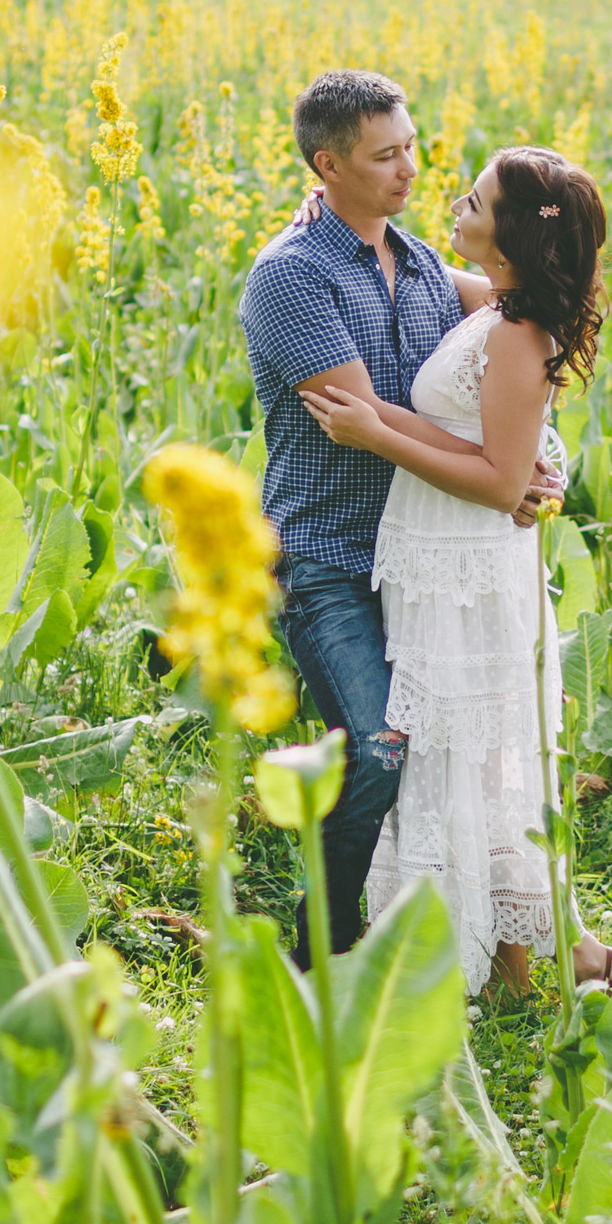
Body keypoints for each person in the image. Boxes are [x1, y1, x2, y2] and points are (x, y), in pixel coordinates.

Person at [239, 70, 559, 958]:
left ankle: (483, 935)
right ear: (326, 165)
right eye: (386, 156)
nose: (410, 169)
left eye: (412, 146)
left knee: (450, 753)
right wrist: (501, 471)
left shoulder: (418, 261)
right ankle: (324, 949)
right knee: (379, 746)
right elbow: (362, 419)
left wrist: (535, 463)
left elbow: (521, 321)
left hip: (423, 561)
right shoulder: (290, 279)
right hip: (330, 559)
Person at [305, 146, 612, 998]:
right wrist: (324, 213)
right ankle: (513, 956)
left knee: (469, 756)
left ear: (511, 234)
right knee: (448, 755)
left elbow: (499, 482)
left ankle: (525, 959)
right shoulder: (495, 302)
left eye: (475, 200)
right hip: (435, 562)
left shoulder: (520, 333)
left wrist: (376, 434)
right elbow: (407, 262)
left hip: (469, 568)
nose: (453, 202)